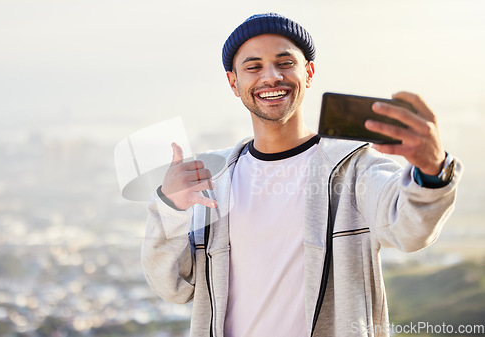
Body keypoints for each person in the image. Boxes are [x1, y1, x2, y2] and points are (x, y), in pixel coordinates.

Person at [141, 13, 462, 337]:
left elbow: (410, 230)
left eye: (284, 62)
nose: (271, 76)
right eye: (253, 67)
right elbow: (174, 287)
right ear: (233, 83)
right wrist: (170, 208)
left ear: (308, 72)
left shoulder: (353, 167)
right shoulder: (216, 179)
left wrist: (433, 168)